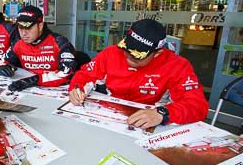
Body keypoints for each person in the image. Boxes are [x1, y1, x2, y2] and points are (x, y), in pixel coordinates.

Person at [69, 19, 209, 129]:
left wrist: (162, 114)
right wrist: (77, 88)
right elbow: (85, 75)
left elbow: (197, 105)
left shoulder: (178, 66)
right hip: (109, 120)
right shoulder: (111, 53)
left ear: (158, 52)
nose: (128, 57)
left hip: (152, 127)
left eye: (137, 56)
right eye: (126, 49)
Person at [0, 5, 77, 91]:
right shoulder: (18, 44)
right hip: (26, 91)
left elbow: (67, 73)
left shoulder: (60, 42)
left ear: (40, 25)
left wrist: (33, 80)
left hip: (55, 91)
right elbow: (3, 61)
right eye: (20, 27)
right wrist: (2, 67)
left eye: (28, 28)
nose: (24, 33)